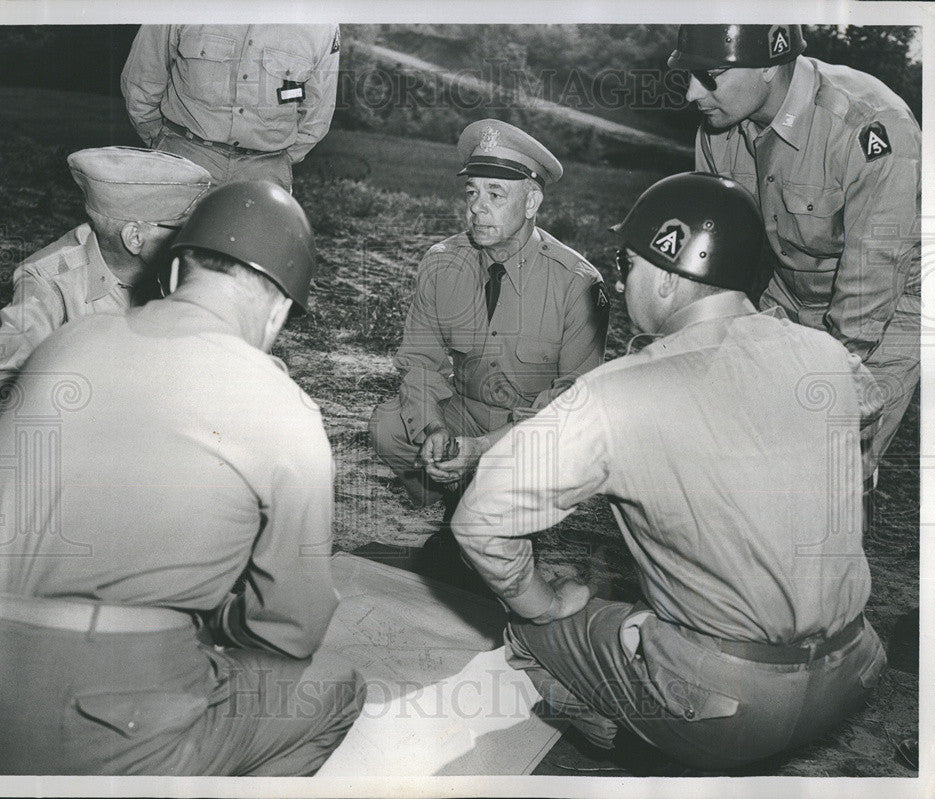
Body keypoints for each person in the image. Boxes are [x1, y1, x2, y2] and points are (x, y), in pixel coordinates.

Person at [451, 172, 887, 771]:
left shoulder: (618, 392)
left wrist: (544, 604)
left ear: (664, 270)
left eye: (628, 264)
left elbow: (480, 520)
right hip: (856, 672)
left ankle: (644, 747)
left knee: (535, 629)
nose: (625, 279)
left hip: (730, 709)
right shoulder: (827, 356)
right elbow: (867, 414)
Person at [0, 181, 365, 776]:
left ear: (177, 272)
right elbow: (292, 631)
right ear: (280, 309)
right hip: (107, 715)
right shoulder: (284, 409)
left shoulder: (67, 341)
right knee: (335, 688)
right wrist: (211, 618)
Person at [669, 24, 921, 471]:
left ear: (768, 67)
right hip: (788, 286)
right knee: (741, 443)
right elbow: (720, 253)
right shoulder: (718, 128)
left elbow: (875, 267)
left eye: (708, 76)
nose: (691, 94)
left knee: (833, 465)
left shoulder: (869, 124)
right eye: (686, 76)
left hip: (889, 302)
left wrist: (834, 373)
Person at [369, 118, 609, 519]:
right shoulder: (442, 264)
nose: (477, 207)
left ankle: (514, 514)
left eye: (495, 194)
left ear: (531, 203)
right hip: (465, 414)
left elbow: (570, 403)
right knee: (389, 426)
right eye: (472, 192)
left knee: (525, 491)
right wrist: (435, 430)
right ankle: (455, 499)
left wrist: (482, 449)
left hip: (535, 432)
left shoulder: (578, 284)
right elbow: (419, 363)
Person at [0, 146, 212, 416]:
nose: (194, 239)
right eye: (182, 229)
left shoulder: (184, 269)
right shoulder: (50, 281)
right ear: (134, 238)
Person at [121, 24, 341, 189]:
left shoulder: (320, 25)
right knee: (167, 249)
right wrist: (161, 140)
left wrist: (275, 163)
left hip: (264, 177)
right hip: (183, 162)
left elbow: (316, 117)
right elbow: (141, 82)